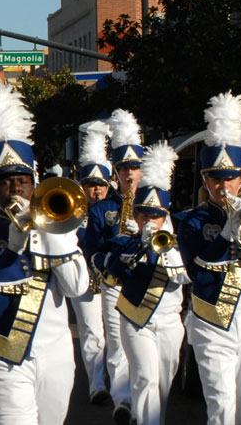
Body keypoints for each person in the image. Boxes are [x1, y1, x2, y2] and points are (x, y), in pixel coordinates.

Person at [0, 82, 87, 425]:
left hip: (55, 353)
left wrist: (50, 231)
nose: (15, 188)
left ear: (34, 182)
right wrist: (11, 248)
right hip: (2, 354)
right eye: (5, 181)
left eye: (22, 180)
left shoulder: (58, 229)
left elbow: (77, 287)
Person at [173, 92, 241, 425]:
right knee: (221, 403)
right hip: (209, 317)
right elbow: (198, 270)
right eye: (215, 178)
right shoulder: (189, 221)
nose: (223, 185)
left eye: (230, 177)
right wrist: (230, 228)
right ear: (205, 181)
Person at [95, 142, 188, 425]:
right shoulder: (124, 241)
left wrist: (161, 250)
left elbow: (184, 276)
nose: (150, 221)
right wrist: (137, 248)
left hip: (170, 322)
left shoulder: (179, 241)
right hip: (136, 320)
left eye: (156, 216)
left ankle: (144, 417)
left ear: (166, 217)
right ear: (135, 216)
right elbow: (110, 266)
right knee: (145, 378)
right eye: (144, 214)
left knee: (161, 383)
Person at [83, 108, 145, 422]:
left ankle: (145, 398)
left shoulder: (157, 202)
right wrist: (104, 260)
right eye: (124, 168)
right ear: (116, 172)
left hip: (149, 284)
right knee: (117, 341)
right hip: (113, 282)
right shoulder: (103, 209)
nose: (130, 173)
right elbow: (91, 246)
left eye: (135, 167)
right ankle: (123, 400)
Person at [69, 120, 116, 407]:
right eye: (90, 184)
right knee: (90, 332)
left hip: (111, 276)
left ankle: (120, 386)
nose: (96, 190)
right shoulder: (72, 207)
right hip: (85, 276)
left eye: (100, 184)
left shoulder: (115, 207)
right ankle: (97, 384)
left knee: (115, 333)